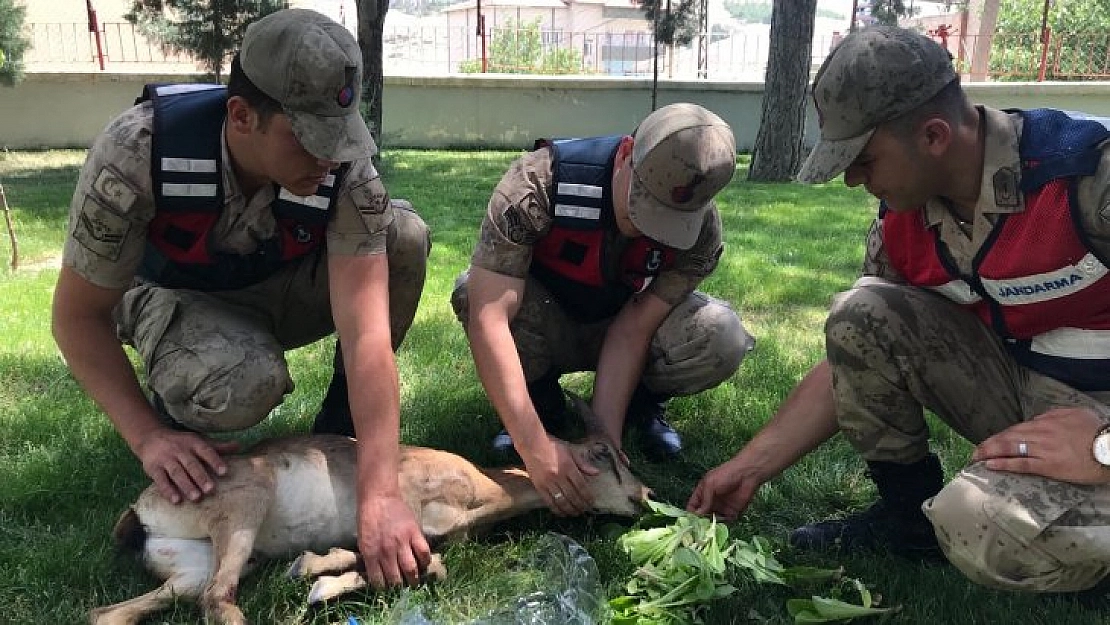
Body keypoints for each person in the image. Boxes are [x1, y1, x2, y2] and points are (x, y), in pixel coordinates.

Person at [687, 24, 1110, 593]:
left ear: (934, 136)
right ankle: (908, 521)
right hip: (1029, 402)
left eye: (864, 160)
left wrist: (1102, 447)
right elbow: (855, 350)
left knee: (977, 524)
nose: (852, 181)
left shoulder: (1085, 180)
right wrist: (749, 467)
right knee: (862, 311)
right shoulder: (904, 219)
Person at [51, 9, 433, 589]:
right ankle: (182, 424)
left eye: (338, 135)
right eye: (309, 139)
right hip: (171, 293)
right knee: (246, 378)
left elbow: (368, 336)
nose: (329, 158)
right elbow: (76, 317)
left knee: (402, 235)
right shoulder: (138, 152)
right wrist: (147, 437)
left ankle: (341, 427)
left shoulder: (343, 172)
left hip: (272, 285)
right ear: (241, 116)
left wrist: (379, 493)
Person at [451, 103, 755, 515]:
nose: (648, 227)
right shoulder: (538, 183)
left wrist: (605, 443)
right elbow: (490, 316)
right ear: (626, 153)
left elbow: (633, 330)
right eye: (645, 204)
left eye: (669, 218)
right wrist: (534, 445)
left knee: (720, 334)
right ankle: (538, 407)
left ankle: (641, 407)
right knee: (473, 292)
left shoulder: (701, 232)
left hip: (619, 323)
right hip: (546, 317)